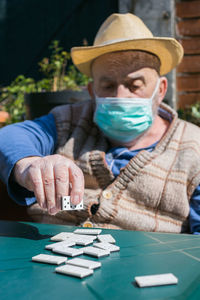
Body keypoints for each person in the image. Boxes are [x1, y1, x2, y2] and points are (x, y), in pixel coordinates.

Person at [0, 13, 200, 233]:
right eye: (107, 86)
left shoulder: (194, 149)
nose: (121, 96)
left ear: (160, 90)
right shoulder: (68, 121)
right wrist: (29, 163)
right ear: (92, 91)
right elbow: (10, 137)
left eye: (134, 85)